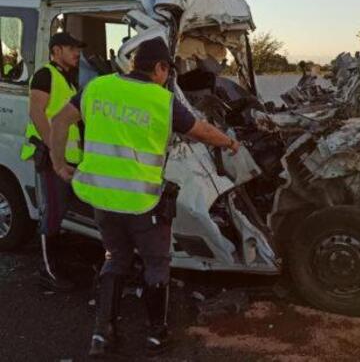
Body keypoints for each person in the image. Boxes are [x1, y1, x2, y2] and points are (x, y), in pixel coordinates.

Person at [49, 37, 240, 357]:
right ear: (160, 68)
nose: (168, 77)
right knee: (155, 263)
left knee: (115, 257)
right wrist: (231, 145)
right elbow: (202, 131)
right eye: (168, 70)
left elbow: (58, 121)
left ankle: (102, 335)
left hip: (102, 198)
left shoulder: (98, 87)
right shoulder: (161, 100)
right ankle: (155, 335)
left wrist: (59, 165)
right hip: (142, 202)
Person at [20, 32, 85, 291]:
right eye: (72, 48)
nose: (77, 53)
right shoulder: (45, 74)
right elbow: (37, 112)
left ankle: (55, 264)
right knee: (52, 212)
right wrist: (52, 148)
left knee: (60, 212)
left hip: (65, 157)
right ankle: (47, 270)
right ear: (56, 50)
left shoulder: (66, 78)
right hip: (51, 157)